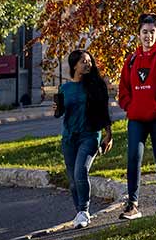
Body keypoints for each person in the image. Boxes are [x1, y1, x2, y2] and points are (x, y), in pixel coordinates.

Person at [117, 13, 156, 219]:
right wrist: (129, 105)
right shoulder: (132, 59)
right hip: (137, 117)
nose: (148, 36)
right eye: (144, 32)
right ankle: (133, 204)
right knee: (134, 156)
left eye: (152, 32)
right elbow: (124, 88)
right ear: (138, 34)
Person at [54, 50, 114, 229]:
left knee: (81, 172)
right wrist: (57, 108)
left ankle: (84, 210)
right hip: (69, 138)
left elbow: (104, 111)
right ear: (74, 66)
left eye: (89, 61)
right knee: (72, 181)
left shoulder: (96, 85)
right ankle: (79, 213)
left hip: (90, 136)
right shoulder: (64, 88)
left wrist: (108, 134)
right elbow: (61, 113)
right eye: (83, 62)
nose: (88, 64)